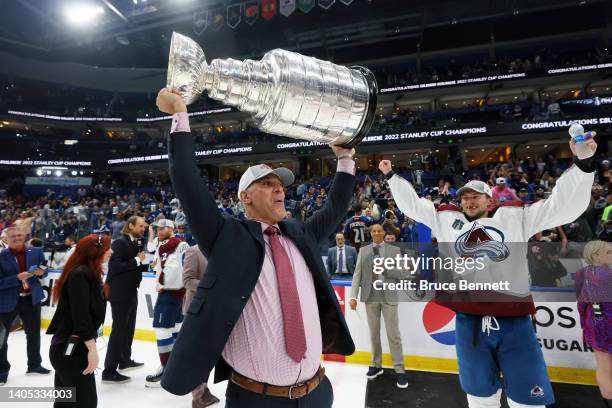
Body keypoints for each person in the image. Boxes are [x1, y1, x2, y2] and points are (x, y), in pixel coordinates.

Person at [156, 88, 355, 406]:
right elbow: (187, 180)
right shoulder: (226, 237)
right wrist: (180, 113)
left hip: (317, 393)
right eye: (267, 184)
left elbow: (336, 206)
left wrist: (345, 160)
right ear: (244, 196)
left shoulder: (299, 234)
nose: (279, 190)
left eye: (280, 185)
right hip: (255, 399)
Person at [379, 132, 597, 408]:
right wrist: (391, 179)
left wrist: (583, 166)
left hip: (514, 321)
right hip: (469, 322)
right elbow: (413, 206)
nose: (469, 201)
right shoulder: (447, 220)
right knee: (480, 399)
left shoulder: (516, 217)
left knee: (528, 401)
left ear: (489, 200)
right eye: (465, 197)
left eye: (476, 197)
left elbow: (560, 208)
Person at [46, 234, 111, 408]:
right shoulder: (79, 274)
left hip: (70, 349)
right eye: (107, 248)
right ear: (95, 251)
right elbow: (80, 317)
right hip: (70, 351)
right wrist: (92, 350)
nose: (111, 252)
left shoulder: (88, 273)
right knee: (85, 403)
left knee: (65, 403)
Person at [349, 224, 409, 389]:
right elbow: (357, 275)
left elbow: (403, 273)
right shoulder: (364, 250)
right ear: (371, 233)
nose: (376, 233)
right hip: (370, 297)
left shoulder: (394, 250)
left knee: (393, 335)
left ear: (384, 233)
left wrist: (387, 269)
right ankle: (376, 365)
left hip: (389, 296)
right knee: (374, 334)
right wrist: (353, 296)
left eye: (379, 230)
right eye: (374, 231)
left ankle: (400, 369)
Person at [0, 227, 51, 385]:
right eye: (13, 236)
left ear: (25, 236)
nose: (17, 238)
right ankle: (2, 371)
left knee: (34, 334)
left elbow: (44, 267)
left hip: (31, 299)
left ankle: (34, 365)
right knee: (1, 338)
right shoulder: (1, 256)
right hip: (7, 302)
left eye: (20, 235)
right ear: (6, 239)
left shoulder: (36, 251)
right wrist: (16, 278)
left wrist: (43, 272)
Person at [102, 216, 149, 384]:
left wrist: (143, 262)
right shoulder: (120, 243)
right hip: (120, 293)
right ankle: (109, 370)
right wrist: (137, 260)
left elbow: (134, 265)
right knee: (119, 329)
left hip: (130, 291)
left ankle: (124, 360)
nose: (144, 228)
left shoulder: (134, 243)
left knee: (128, 328)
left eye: (145, 226)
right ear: (131, 226)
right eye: (141, 226)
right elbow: (114, 267)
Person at [145, 219, 189, 388]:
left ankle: (167, 369)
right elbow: (150, 248)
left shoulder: (179, 244)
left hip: (171, 293)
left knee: (163, 330)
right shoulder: (160, 242)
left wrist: (165, 282)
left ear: (171, 228)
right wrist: (150, 234)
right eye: (156, 229)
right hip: (176, 293)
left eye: (161, 228)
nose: (158, 231)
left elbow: (184, 265)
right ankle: (178, 366)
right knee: (176, 329)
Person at [575, 241, 611, 408]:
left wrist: (585, 323)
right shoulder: (608, 275)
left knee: (604, 366)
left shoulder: (582, 273)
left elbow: (581, 303)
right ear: (596, 255)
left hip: (594, 321)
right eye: (609, 252)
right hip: (606, 321)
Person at [182, 244, 220, 408]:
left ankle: (203, 390)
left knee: (207, 355)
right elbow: (188, 280)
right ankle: (197, 396)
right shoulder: (194, 250)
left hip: (214, 309)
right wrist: (213, 285)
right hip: (196, 311)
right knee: (196, 355)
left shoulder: (221, 250)